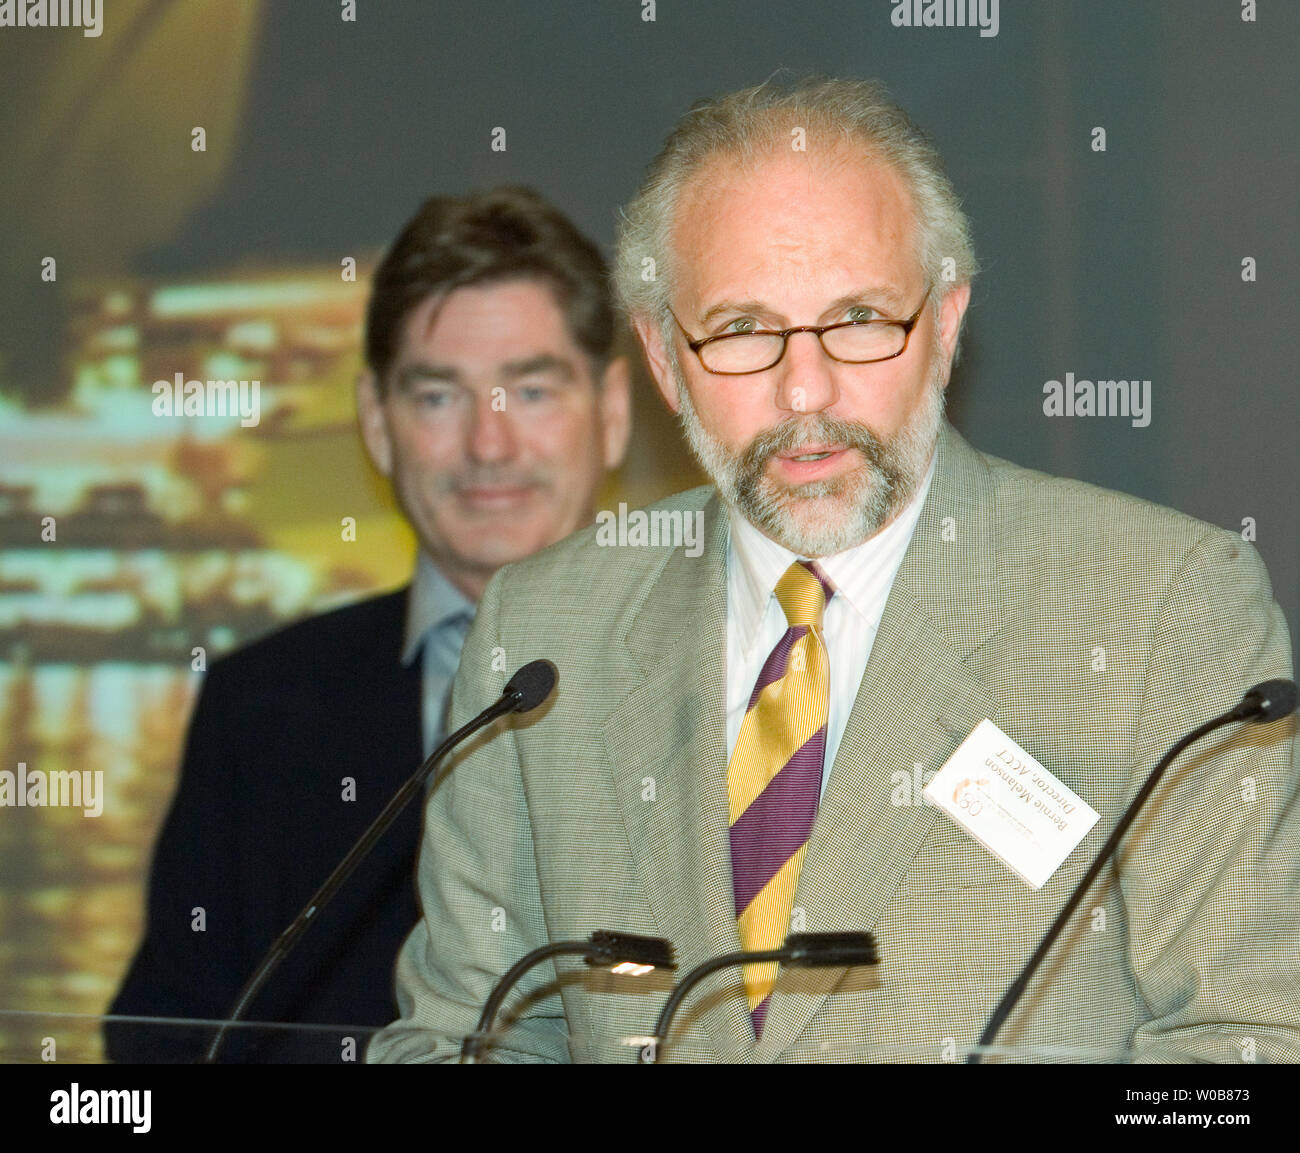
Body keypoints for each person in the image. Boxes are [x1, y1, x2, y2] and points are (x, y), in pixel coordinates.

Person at [369, 79, 1299, 1064]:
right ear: (660, 356)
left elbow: (1245, 1049)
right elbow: (461, 1040)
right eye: (740, 330)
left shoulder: (1163, 606)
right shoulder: (545, 632)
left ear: (943, 323)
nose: (803, 389)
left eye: (857, 318)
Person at [106, 187, 631, 1062]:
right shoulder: (259, 705)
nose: (488, 445)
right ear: (375, 424)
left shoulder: (728, 673)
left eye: (530, 390)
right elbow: (164, 1041)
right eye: (437, 397)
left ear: (612, 411)